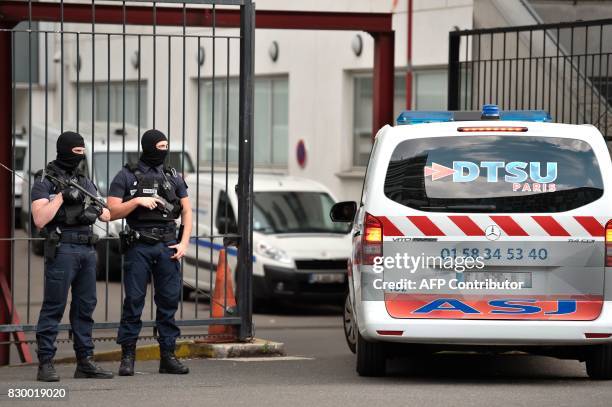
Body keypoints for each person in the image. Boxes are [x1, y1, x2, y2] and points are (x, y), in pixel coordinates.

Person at [107, 129, 192, 376]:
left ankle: (168, 356)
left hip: (167, 245)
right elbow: (110, 211)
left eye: (166, 146)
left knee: (168, 301)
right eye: (160, 146)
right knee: (133, 301)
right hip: (139, 245)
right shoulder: (125, 175)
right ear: (148, 146)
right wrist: (135, 202)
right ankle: (128, 357)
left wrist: (184, 242)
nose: (163, 151)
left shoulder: (172, 175)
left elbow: (186, 211)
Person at [32, 131, 114, 382]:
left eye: (82, 152)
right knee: (53, 307)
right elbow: (40, 219)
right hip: (63, 249)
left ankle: (85, 361)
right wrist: (61, 197)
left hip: (87, 251)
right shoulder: (45, 179)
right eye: (75, 152)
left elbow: (107, 214)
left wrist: (92, 210)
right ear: (64, 151)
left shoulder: (83, 179)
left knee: (85, 307)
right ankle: (45, 363)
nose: (79, 157)